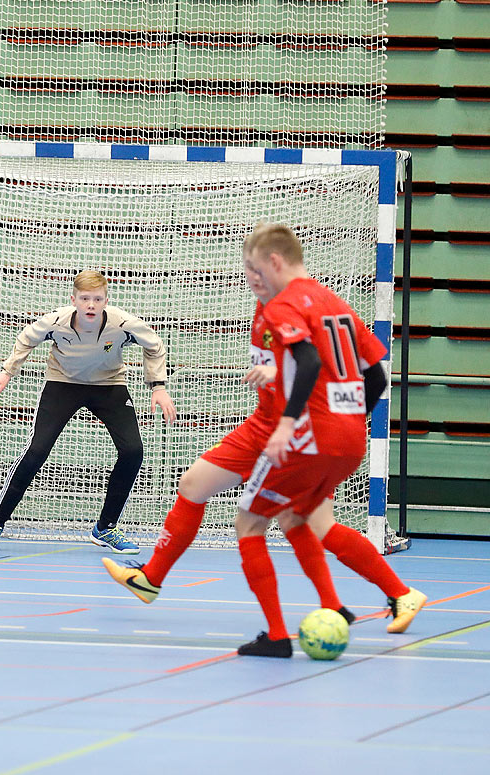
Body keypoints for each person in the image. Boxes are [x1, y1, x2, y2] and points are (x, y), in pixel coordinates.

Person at [103, 224, 425, 655]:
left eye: (255, 268)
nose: (250, 277)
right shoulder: (327, 303)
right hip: (294, 426)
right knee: (205, 487)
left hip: (297, 430)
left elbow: (309, 362)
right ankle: (153, 578)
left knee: (268, 522)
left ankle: (282, 634)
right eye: (245, 270)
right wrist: (344, 418)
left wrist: (299, 419)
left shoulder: (286, 305)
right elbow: (370, 373)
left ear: (274, 262)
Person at [0, 270, 176, 553]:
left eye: (97, 299)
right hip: (62, 385)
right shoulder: (56, 321)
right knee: (36, 451)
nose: (91, 305)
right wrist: (6, 373)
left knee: (133, 451)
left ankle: (106, 527)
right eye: (85, 299)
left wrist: (158, 386)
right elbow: (26, 339)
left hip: (109, 386)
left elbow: (154, 345)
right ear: (74, 300)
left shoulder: (122, 324)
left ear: (106, 300)